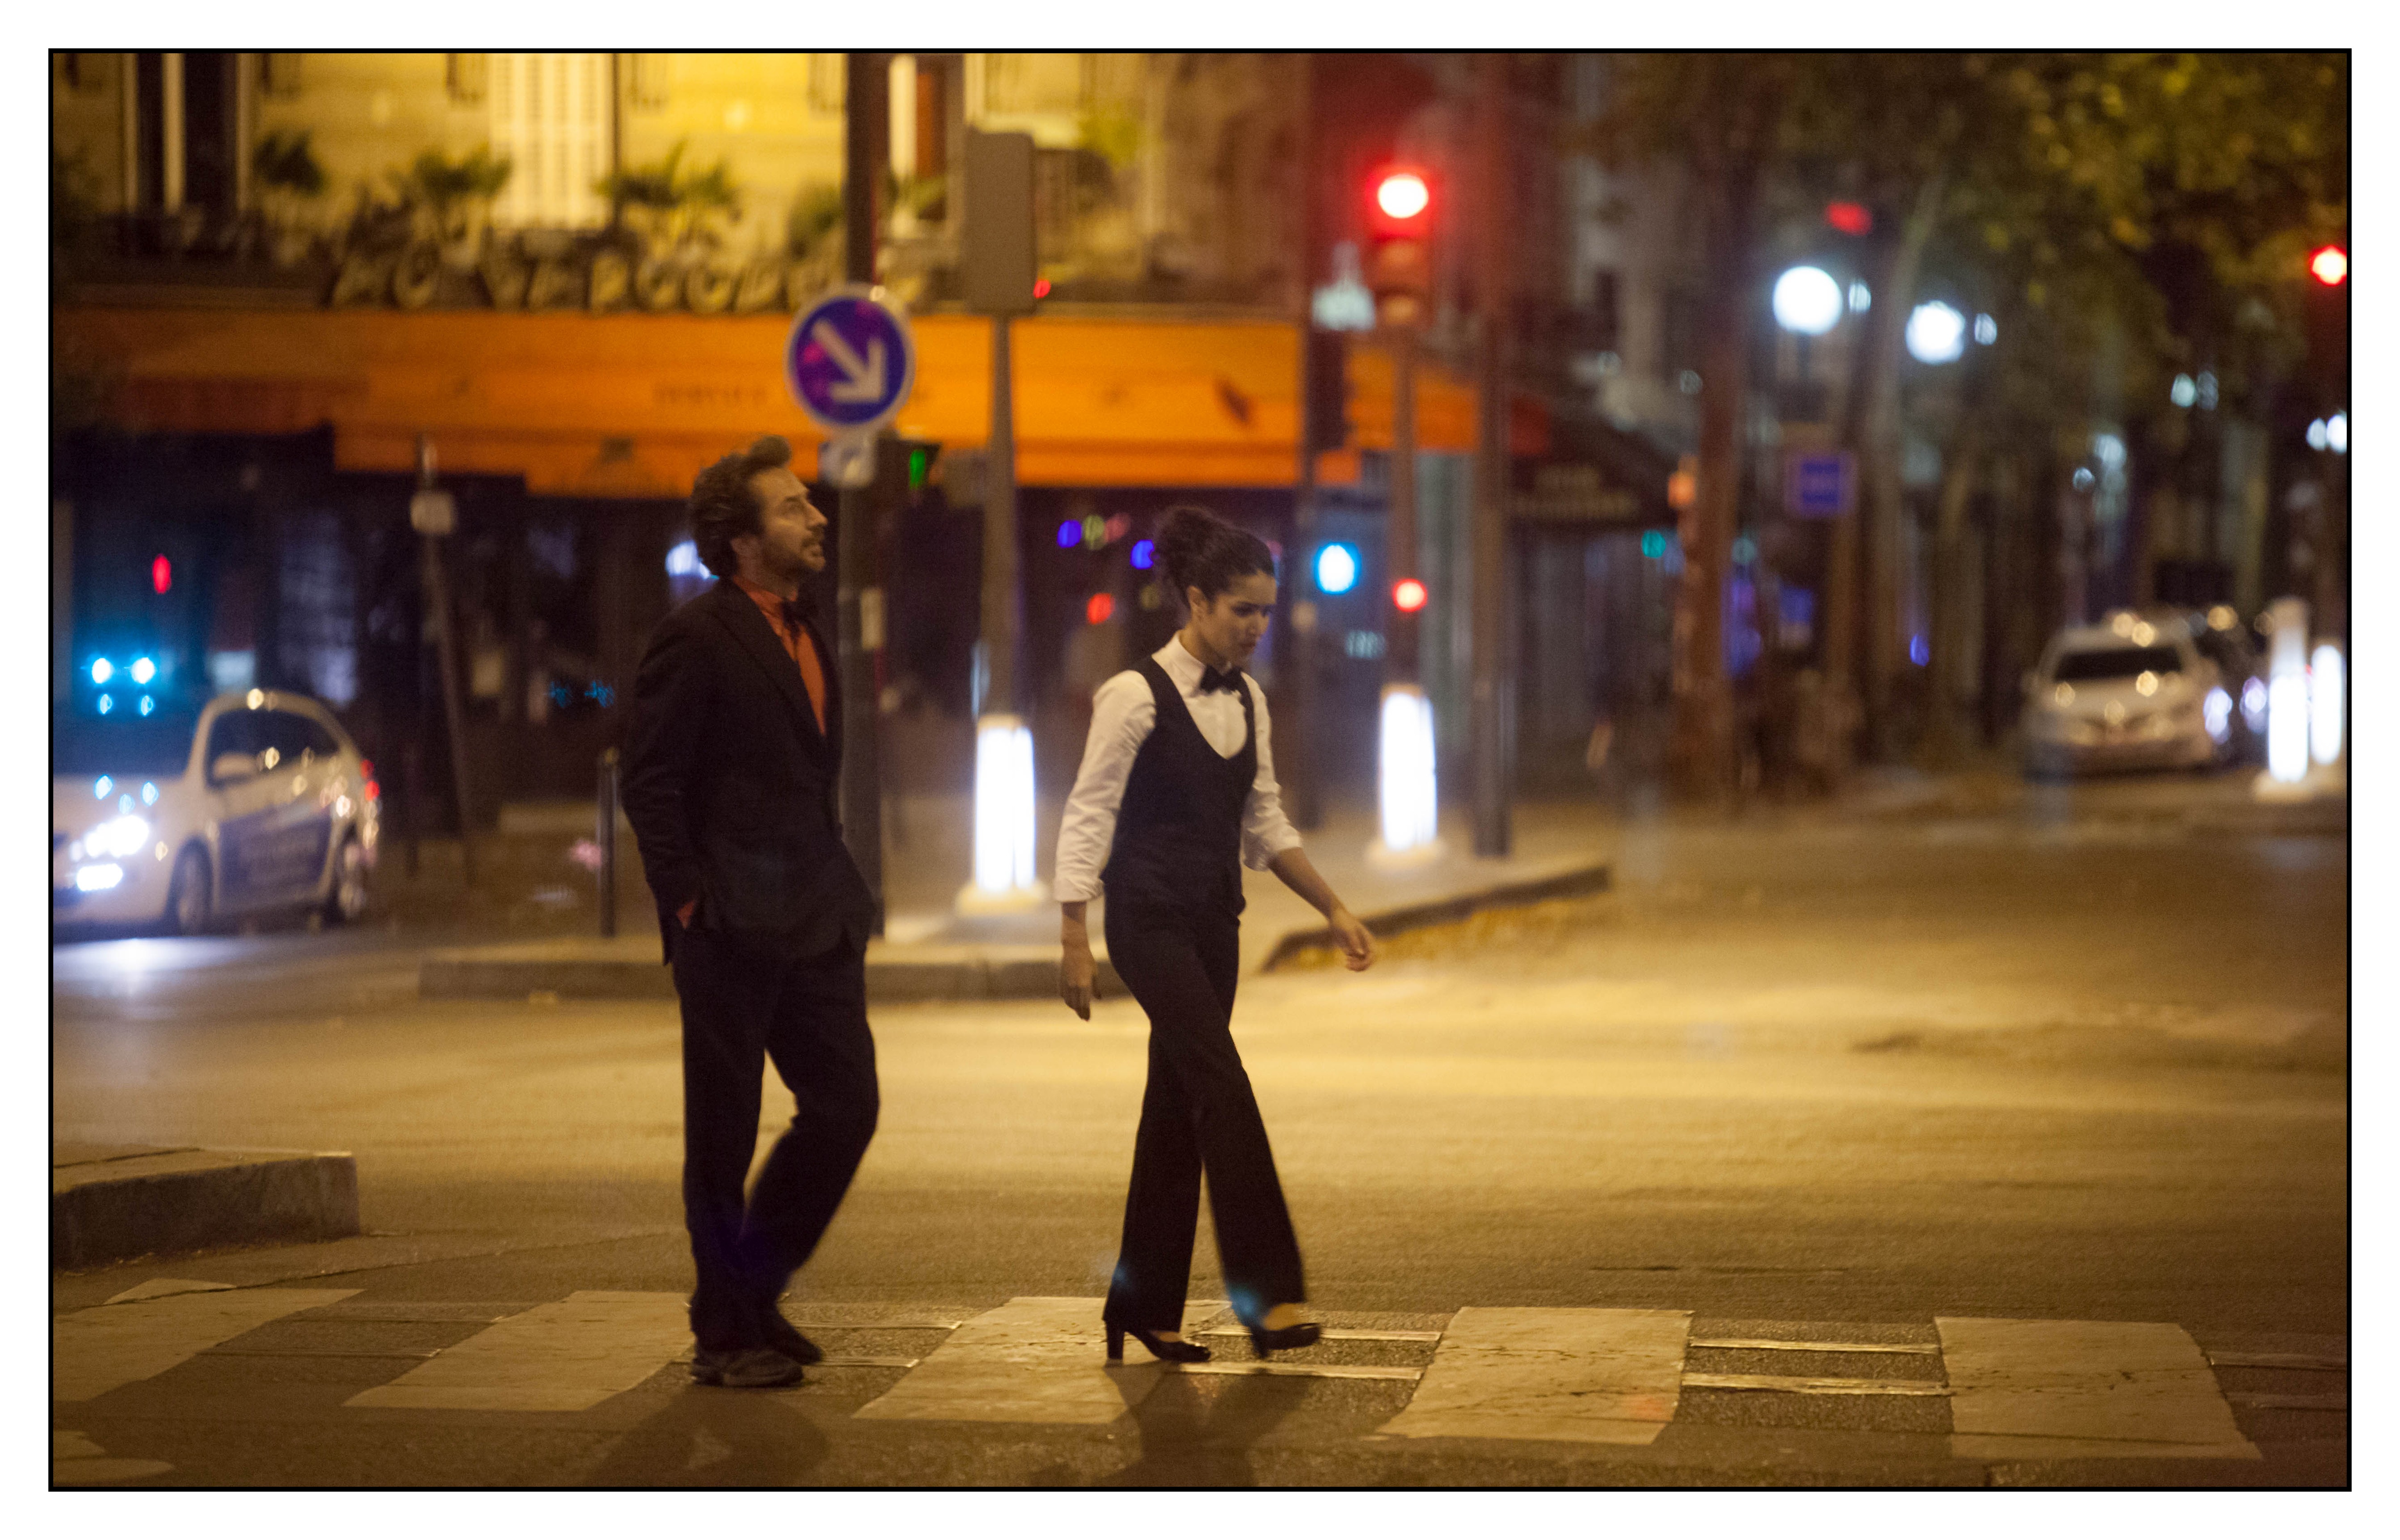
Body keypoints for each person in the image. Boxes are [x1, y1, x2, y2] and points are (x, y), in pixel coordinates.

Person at [1055, 505, 1377, 1365]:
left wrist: (1334, 907)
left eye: (1266, 610)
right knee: (1222, 1085)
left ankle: (1141, 1305)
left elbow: (1264, 823)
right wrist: (1074, 932)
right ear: (1196, 601)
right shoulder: (1133, 695)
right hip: (1147, 920)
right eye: (1243, 609)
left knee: (1176, 1105)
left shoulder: (1249, 699)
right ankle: (1268, 1296)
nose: (1257, 626)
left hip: (1213, 923)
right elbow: (1089, 812)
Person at [622, 435, 879, 1390]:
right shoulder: (698, 636)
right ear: (741, 539)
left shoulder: (808, 630)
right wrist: (691, 898)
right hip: (729, 921)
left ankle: (753, 1288)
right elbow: (650, 781)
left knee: (847, 1107)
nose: (816, 517)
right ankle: (725, 1333)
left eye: (811, 501)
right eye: (792, 506)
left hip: (817, 915)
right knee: (723, 1135)